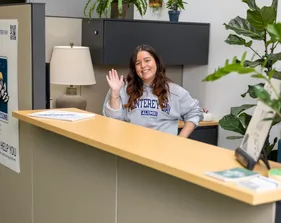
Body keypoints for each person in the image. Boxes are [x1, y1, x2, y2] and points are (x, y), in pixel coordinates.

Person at [102, 44, 203, 137]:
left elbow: (195, 112)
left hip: (164, 151)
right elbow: (113, 121)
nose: (143, 66)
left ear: (157, 62)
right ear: (134, 68)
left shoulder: (174, 91)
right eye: (138, 63)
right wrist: (115, 93)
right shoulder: (124, 88)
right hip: (132, 147)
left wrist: (180, 140)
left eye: (147, 60)